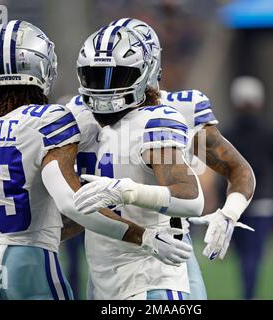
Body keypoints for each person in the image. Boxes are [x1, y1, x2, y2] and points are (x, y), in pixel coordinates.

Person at [0, 20, 192, 300]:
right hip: (30, 261)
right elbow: (73, 204)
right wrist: (145, 237)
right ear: (42, 67)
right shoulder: (48, 121)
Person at [69, 18, 256, 300]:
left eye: (116, 75)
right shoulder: (75, 113)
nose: (104, 88)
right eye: (95, 75)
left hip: (162, 260)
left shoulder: (178, 109)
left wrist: (229, 213)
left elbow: (237, 168)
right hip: (102, 267)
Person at [223, 76, 273, 299]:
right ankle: (249, 296)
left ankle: (248, 295)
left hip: (236, 202)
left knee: (243, 257)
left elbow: (223, 169)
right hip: (263, 202)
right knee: (253, 256)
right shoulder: (269, 132)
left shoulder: (228, 133)